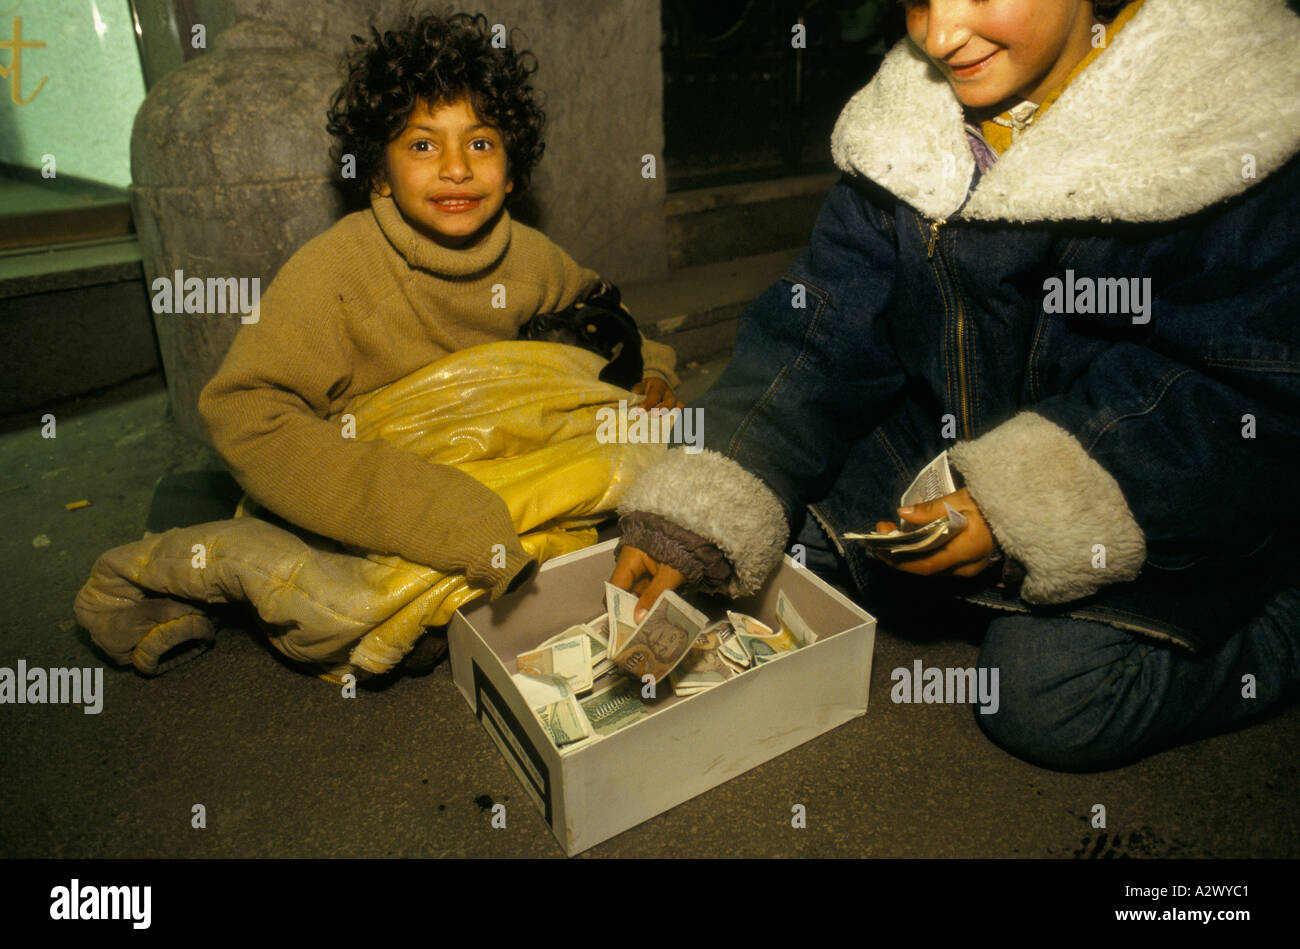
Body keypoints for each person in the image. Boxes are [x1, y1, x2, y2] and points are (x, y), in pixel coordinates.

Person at [610, 0, 1300, 771]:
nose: (939, 36)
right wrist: (702, 511)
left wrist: (1019, 507)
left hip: (1154, 489)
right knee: (769, 542)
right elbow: (818, 332)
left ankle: (1282, 611)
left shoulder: (1233, 128)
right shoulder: (903, 124)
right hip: (947, 431)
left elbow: (1234, 400)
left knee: (1043, 693)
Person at [198, 12, 680, 611]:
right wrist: (435, 515)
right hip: (396, 486)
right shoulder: (336, 271)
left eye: (480, 143)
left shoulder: (531, 258)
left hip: (505, 469)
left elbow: (606, 313)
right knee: (347, 604)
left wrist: (652, 371)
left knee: (662, 467)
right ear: (378, 171)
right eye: (423, 144)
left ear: (510, 173)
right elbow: (245, 412)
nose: (457, 168)